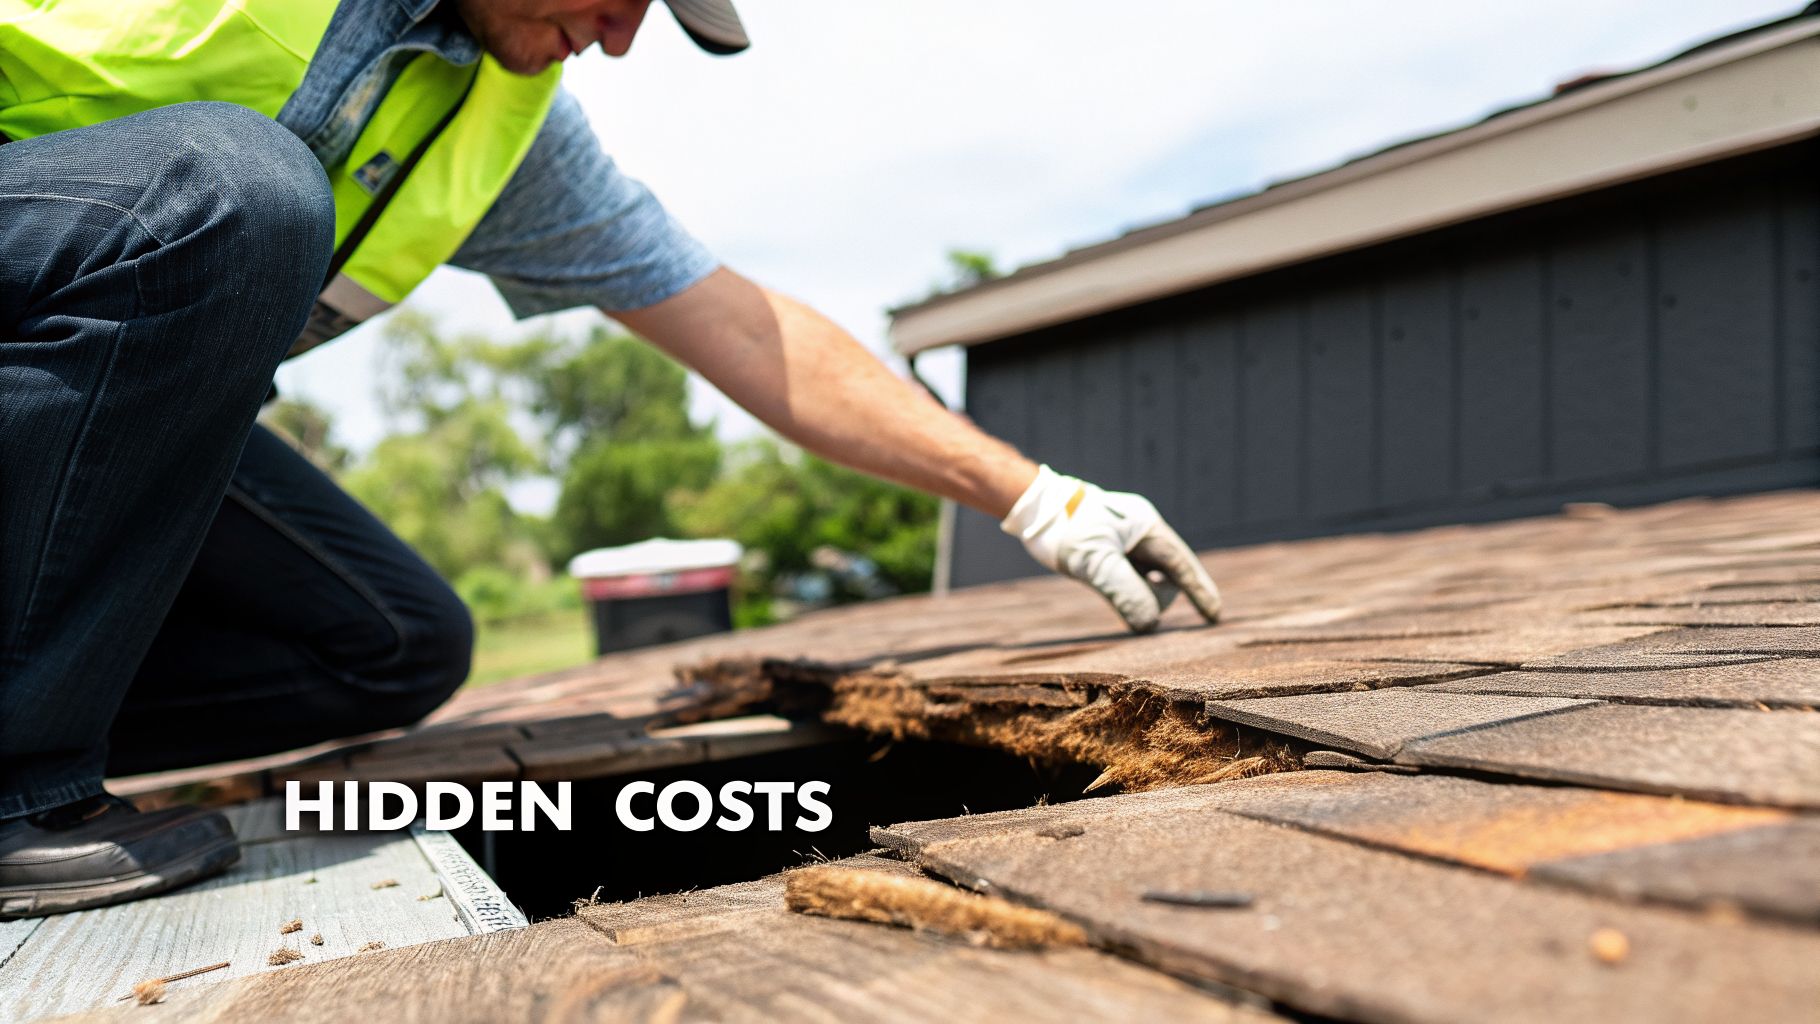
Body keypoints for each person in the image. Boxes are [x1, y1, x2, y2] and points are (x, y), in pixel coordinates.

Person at [0, 0, 1222, 918]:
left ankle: (53, 719)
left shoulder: (494, 124)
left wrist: (1032, 495)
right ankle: (18, 789)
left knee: (389, 640)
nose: (626, 37)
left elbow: (742, 325)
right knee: (240, 187)